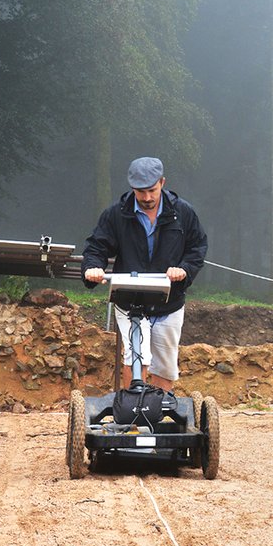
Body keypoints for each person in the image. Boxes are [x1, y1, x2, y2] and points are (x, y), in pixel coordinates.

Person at [81, 156, 207, 393]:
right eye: (141, 192)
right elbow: (96, 247)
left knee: (165, 362)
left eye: (152, 190)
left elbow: (197, 247)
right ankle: (133, 418)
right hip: (129, 298)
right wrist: (93, 268)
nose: (147, 198)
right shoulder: (116, 214)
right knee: (137, 355)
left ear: (162, 182)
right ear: (132, 189)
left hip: (169, 300)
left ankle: (158, 416)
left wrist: (184, 269)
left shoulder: (183, 213)